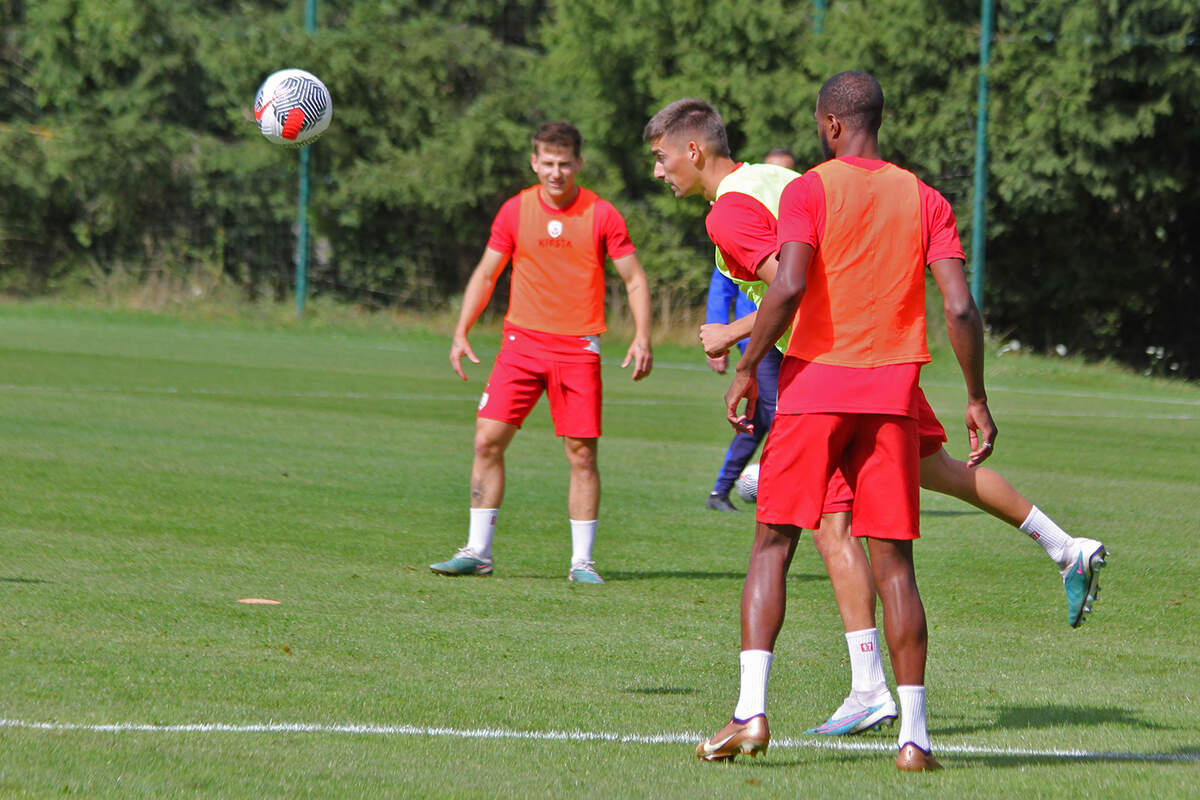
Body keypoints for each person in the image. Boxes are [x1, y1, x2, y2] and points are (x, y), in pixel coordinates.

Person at [645, 81, 1102, 771]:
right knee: (895, 561)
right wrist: (976, 396)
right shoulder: (923, 198)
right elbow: (960, 308)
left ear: (830, 125)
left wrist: (746, 361)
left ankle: (751, 714)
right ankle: (911, 736)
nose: (657, 169)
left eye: (659, 158)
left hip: (815, 384)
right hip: (891, 390)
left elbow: (791, 284)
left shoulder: (808, 191)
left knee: (772, 544)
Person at [431, 121, 653, 584]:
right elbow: (487, 273)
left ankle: (582, 562)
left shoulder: (602, 214)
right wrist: (461, 330)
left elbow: (633, 278)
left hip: (577, 349)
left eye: (564, 164)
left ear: (578, 164)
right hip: (520, 345)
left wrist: (642, 335)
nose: (556, 172)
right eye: (547, 164)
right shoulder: (514, 211)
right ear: (534, 162)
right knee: (486, 440)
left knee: (581, 454)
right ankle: (478, 551)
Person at [702, 147, 795, 512]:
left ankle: (725, 489)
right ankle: (767, 488)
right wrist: (723, 335)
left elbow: (788, 285)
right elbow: (721, 285)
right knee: (775, 411)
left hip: (789, 327)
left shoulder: (788, 223)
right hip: (755, 333)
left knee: (761, 415)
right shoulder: (739, 218)